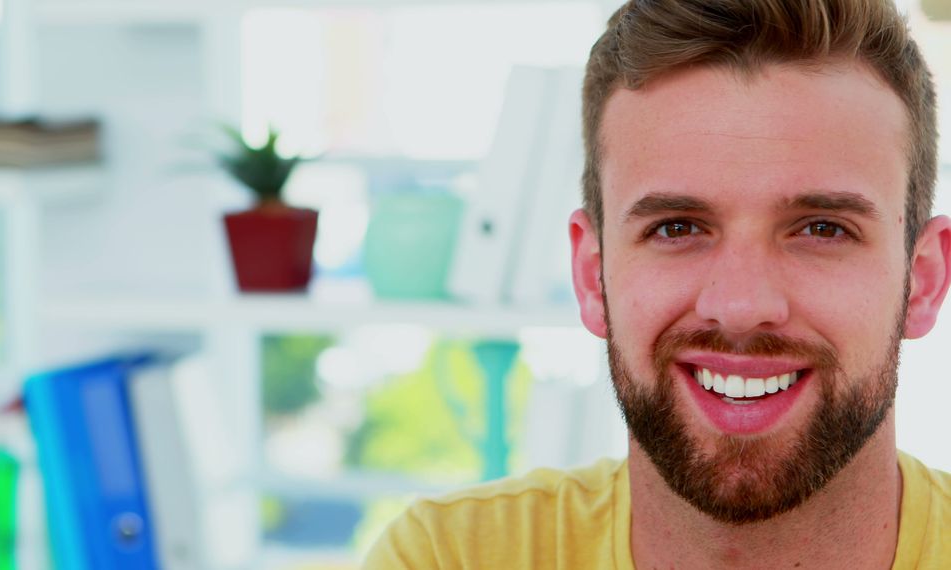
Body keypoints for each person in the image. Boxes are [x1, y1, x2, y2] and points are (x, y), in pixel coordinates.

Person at [363, 0, 951, 567]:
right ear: (592, 275)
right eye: (677, 227)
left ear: (923, 279)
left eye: (822, 229)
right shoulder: (446, 557)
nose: (741, 306)